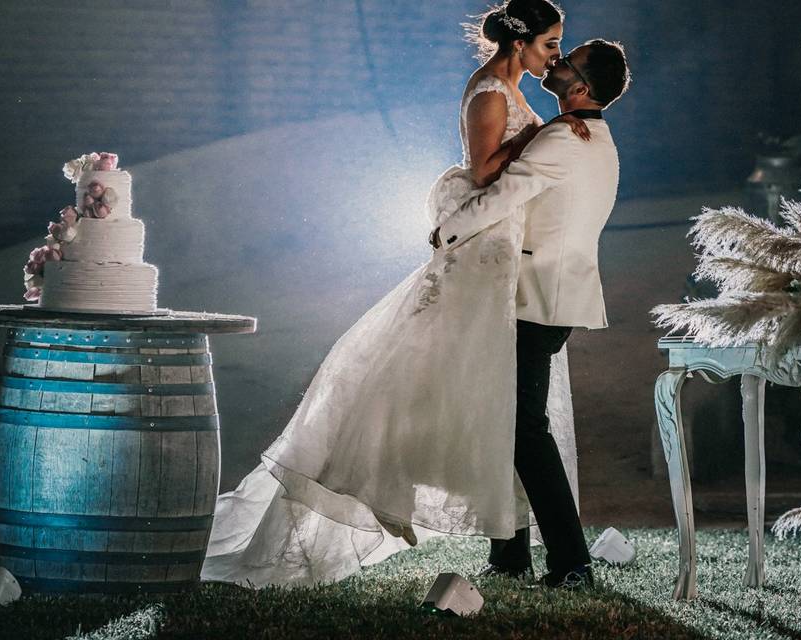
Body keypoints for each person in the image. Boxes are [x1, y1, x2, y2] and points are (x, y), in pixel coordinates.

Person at [201, 0, 591, 589]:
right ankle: (508, 543)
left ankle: (509, 551)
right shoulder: (489, 91)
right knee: (476, 399)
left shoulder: (515, 90)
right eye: (550, 45)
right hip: (479, 266)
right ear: (520, 44)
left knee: (497, 405)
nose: (555, 56)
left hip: (503, 262)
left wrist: (547, 134)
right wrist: (544, 140)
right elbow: (485, 171)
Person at [431, 38, 632, 588]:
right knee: (509, 421)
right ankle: (510, 555)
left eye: (569, 62)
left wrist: (446, 232)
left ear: (582, 88)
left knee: (524, 427)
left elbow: (503, 194)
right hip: (553, 297)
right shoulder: (597, 138)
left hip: (535, 297)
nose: (559, 62)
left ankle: (571, 563)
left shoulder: (566, 137)